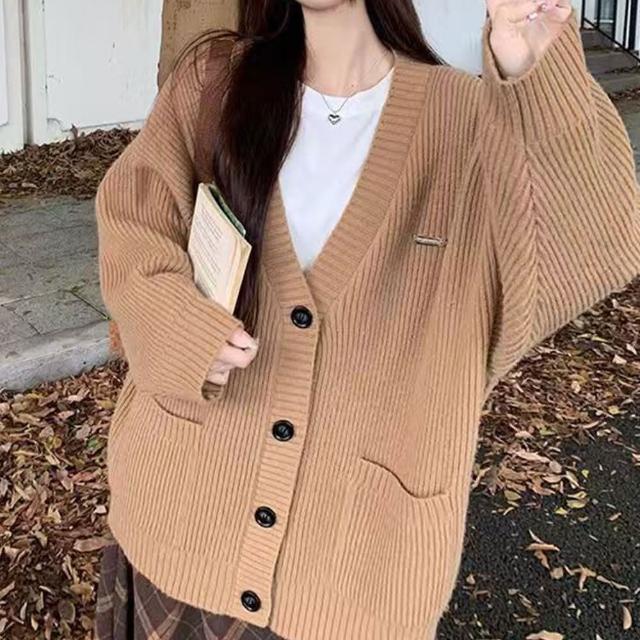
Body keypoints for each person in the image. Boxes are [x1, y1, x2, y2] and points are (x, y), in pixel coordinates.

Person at [93, 0, 640, 638]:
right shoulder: (214, 82)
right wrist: (177, 328)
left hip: (356, 572)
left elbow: (591, 249)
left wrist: (534, 71)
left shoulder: (469, 123)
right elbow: (133, 220)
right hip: (177, 524)